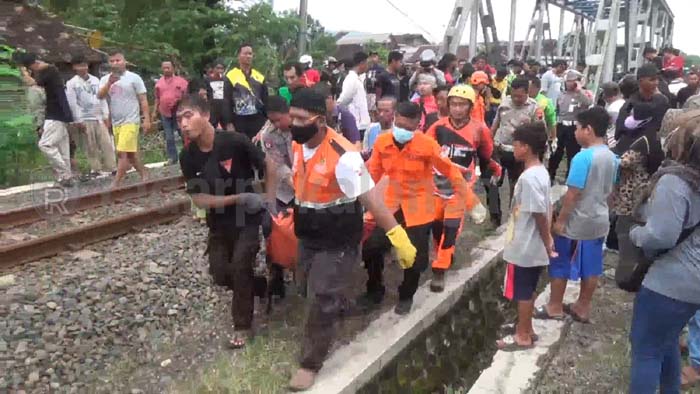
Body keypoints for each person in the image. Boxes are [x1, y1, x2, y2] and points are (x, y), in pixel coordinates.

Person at [285, 88, 416, 391]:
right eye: (292, 117)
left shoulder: (344, 156)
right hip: (308, 233)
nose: (293, 123)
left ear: (319, 121)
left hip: (338, 238)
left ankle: (310, 362)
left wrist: (397, 235)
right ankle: (335, 304)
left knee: (321, 297)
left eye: (300, 118)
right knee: (306, 286)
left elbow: (371, 199)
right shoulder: (298, 144)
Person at [178, 94, 270, 350]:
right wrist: (238, 197)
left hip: (247, 219)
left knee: (241, 265)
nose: (183, 124)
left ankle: (242, 325)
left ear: (206, 115)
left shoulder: (236, 141)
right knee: (220, 273)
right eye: (179, 119)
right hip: (218, 224)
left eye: (188, 116)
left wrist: (269, 199)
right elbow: (199, 199)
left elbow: (267, 165)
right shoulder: (188, 157)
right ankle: (260, 286)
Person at [362, 101, 470, 311]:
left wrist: (468, 199)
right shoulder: (382, 142)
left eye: (409, 128)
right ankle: (374, 289)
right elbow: (373, 173)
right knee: (371, 248)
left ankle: (406, 295)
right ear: (394, 120)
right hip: (390, 204)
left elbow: (450, 171)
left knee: (416, 257)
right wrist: (367, 201)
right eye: (399, 125)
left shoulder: (427, 146)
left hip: (419, 206)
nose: (403, 131)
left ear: (418, 126)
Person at [627, 120, 700, 393]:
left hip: (670, 282)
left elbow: (661, 236)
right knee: (667, 340)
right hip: (693, 282)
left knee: (646, 350)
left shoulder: (676, 181)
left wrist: (635, 233)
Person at [536, 107, 618, 323]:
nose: (575, 133)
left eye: (578, 128)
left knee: (561, 262)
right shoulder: (612, 157)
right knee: (592, 265)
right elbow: (612, 191)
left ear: (588, 130)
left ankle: (554, 306)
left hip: (578, 221)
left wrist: (561, 221)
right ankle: (582, 306)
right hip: (599, 219)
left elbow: (573, 193)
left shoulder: (583, 157)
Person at [426, 85, 500, 291]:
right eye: (454, 104)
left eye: (462, 105)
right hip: (435, 187)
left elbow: (487, 153)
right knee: (437, 227)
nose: (457, 109)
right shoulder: (437, 127)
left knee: (451, 228)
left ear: (470, 107)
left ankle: (439, 270)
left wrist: (493, 170)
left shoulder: (479, 129)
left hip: (461, 189)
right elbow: (423, 150)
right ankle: (444, 253)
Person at [497, 121, 554, 351]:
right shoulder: (540, 172)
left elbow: (539, 213)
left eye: (517, 145)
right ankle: (527, 327)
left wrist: (547, 239)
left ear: (527, 148)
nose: (514, 148)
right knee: (528, 289)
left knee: (522, 291)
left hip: (526, 246)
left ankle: (522, 336)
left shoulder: (529, 178)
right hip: (531, 245)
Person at [611, 102, 664, 287]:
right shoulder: (654, 137)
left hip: (631, 195)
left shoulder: (643, 141)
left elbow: (623, 162)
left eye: (634, 115)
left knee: (625, 234)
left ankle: (625, 278)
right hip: (644, 193)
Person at [490, 77, 543, 225]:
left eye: (520, 96)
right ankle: (495, 217)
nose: (516, 99)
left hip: (519, 154)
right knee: (493, 183)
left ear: (527, 93)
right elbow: (495, 124)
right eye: (514, 95)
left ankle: (513, 217)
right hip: (500, 149)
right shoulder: (505, 103)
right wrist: (489, 144)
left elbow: (539, 131)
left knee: (517, 186)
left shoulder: (533, 107)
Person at [19, 53, 74, 186]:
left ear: (32, 66)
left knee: (45, 145)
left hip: (55, 115)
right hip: (60, 114)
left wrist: (23, 72)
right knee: (62, 149)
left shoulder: (48, 71)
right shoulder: (51, 71)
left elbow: (32, 83)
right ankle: (66, 178)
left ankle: (65, 173)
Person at [98, 49, 151, 188]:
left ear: (124, 61)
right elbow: (100, 96)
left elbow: (143, 100)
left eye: (118, 60)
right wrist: (109, 83)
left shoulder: (134, 78)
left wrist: (147, 119)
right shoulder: (105, 79)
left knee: (122, 152)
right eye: (112, 61)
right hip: (116, 121)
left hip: (131, 120)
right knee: (131, 154)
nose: (115, 63)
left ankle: (116, 182)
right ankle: (144, 173)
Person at [261, 95, 295, 298]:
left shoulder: (302, 127)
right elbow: (276, 166)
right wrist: (293, 181)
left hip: (309, 187)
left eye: (278, 119)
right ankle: (276, 278)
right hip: (283, 190)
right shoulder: (269, 135)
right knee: (273, 231)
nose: (275, 124)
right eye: (271, 121)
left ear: (288, 112)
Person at [66, 54, 116, 177]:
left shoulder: (95, 80)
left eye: (84, 65)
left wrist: (105, 115)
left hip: (98, 116)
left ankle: (112, 167)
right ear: (74, 67)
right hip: (84, 117)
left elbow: (102, 98)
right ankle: (96, 168)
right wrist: (78, 120)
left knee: (106, 142)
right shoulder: (72, 83)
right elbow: (72, 102)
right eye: (79, 65)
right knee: (90, 145)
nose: (83, 68)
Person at [548, 70, 592, 182]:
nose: (569, 83)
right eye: (568, 81)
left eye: (572, 81)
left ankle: (570, 177)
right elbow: (556, 110)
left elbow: (588, 103)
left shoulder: (583, 94)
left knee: (572, 152)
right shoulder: (561, 94)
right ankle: (551, 174)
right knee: (556, 151)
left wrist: (579, 90)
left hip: (574, 126)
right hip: (561, 125)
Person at [223, 43, 268, 140]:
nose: (248, 56)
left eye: (250, 54)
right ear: (239, 55)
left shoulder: (259, 77)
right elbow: (226, 101)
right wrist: (228, 123)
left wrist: (267, 122)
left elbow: (265, 100)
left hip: (257, 120)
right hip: (239, 121)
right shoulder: (231, 76)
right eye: (245, 53)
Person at [154, 60, 188, 164]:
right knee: (169, 137)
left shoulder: (181, 81)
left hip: (179, 112)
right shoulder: (159, 83)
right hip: (165, 112)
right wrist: (154, 112)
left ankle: (189, 154)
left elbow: (187, 95)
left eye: (168, 67)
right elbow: (157, 98)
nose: (166, 69)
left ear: (173, 68)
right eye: (164, 68)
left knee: (183, 133)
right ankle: (172, 158)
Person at [337, 51, 371, 139]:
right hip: (357, 124)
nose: (367, 66)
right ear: (361, 63)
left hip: (361, 123)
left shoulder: (357, 78)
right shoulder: (351, 79)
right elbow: (343, 100)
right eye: (366, 63)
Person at [527, 76, 557, 149]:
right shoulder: (523, 99)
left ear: (538, 88)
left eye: (530, 88)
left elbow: (552, 121)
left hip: (539, 135)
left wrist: (554, 139)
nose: (528, 90)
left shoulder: (545, 102)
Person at [600, 81, 626, 146]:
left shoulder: (614, 109)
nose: (602, 95)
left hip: (613, 141)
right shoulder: (623, 103)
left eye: (604, 93)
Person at [206, 60, 227, 128]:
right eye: (217, 68)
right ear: (213, 69)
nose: (219, 70)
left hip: (224, 110)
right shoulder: (207, 80)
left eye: (221, 68)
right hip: (212, 110)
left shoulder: (226, 80)